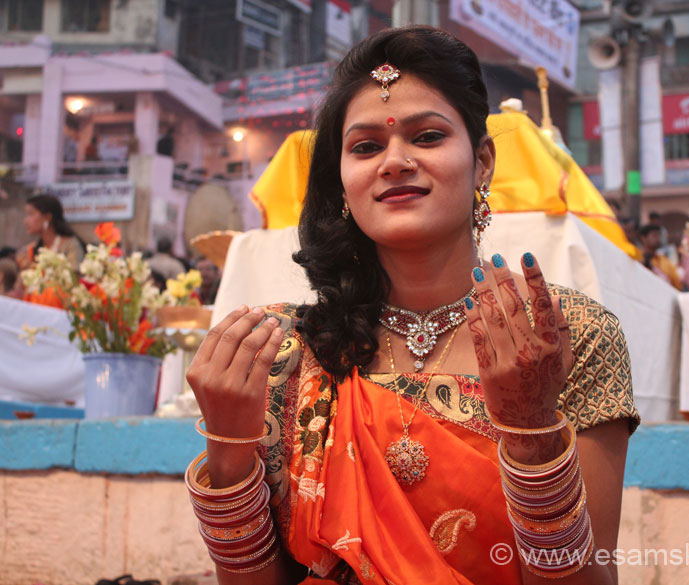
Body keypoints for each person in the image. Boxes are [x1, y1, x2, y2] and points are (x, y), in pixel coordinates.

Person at [184, 26, 639, 585]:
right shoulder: (283, 354)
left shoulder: (563, 337)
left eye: (427, 136)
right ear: (342, 183)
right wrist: (229, 453)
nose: (395, 161)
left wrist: (533, 435)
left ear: (483, 161)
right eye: (366, 147)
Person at [15, 194, 85, 304]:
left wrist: (35, 270)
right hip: (34, 308)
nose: (25, 221)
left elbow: (73, 283)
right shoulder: (31, 250)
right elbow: (19, 289)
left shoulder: (70, 245)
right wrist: (25, 272)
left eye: (31, 214)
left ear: (47, 217)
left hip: (61, 309)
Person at [639, 224, 682, 290]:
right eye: (654, 236)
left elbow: (676, 283)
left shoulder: (663, 259)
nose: (658, 239)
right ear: (643, 238)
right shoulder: (638, 259)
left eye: (659, 235)